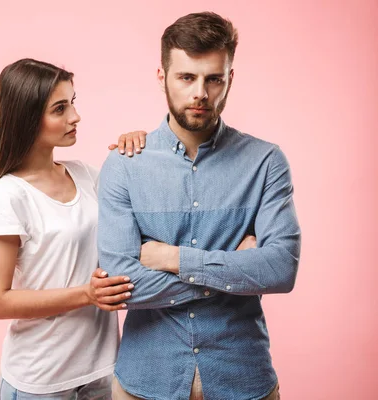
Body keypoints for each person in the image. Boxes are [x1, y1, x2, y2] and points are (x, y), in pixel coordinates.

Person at [97, 12, 301, 400]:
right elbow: (121, 286)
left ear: (230, 79)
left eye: (214, 78)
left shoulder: (265, 161)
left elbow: (280, 269)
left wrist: (174, 258)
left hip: (244, 379)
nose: (200, 94)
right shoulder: (124, 166)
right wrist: (232, 270)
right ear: (162, 77)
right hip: (144, 382)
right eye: (187, 77)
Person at [0, 58, 149, 400]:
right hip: (39, 382)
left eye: (73, 102)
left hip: (102, 373)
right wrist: (87, 295)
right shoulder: (8, 196)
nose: (75, 116)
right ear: (27, 119)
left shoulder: (87, 175)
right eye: (60, 108)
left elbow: (146, 226)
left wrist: (140, 155)